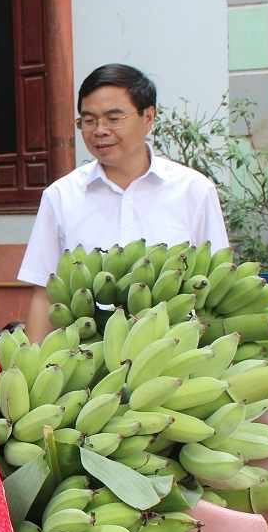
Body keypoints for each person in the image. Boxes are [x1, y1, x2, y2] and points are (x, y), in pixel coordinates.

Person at [17, 63, 228, 341]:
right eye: (88, 120)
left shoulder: (193, 190)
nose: (99, 130)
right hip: (83, 359)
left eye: (113, 118)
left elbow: (218, 284)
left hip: (176, 354)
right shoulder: (61, 196)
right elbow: (44, 293)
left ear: (148, 117)